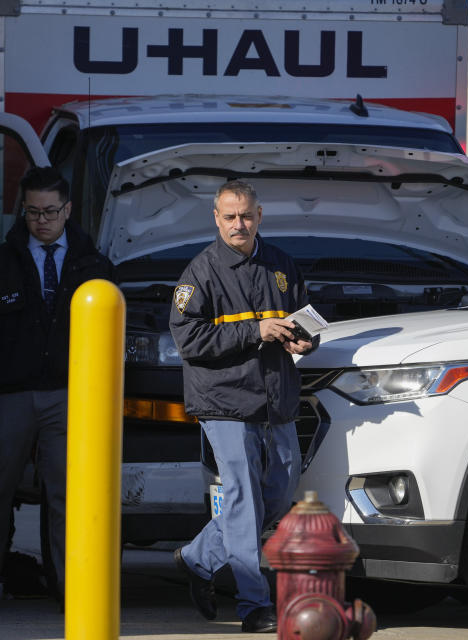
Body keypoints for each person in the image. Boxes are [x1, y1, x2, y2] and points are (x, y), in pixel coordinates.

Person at [0, 167, 114, 611]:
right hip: (9, 395)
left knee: (67, 493)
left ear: (67, 210)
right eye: (31, 212)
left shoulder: (92, 262)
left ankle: (70, 586)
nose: (40, 221)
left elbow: (109, 333)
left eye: (49, 212)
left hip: (70, 396)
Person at [169, 179, 317, 633]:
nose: (239, 224)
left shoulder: (282, 265)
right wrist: (256, 332)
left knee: (277, 493)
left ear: (260, 216)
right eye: (230, 216)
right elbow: (188, 338)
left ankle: (197, 558)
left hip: (276, 400)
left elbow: (304, 318)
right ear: (216, 218)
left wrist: (305, 341)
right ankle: (254, 605)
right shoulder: (201, 272)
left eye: (247, 215)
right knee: (242, 500)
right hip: (223, 401)